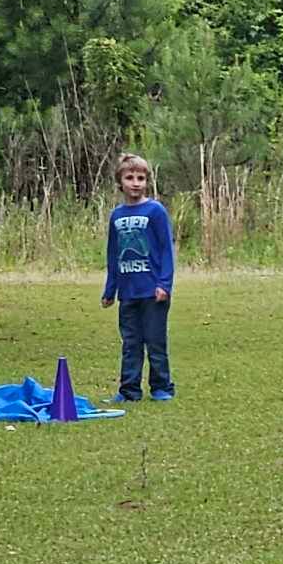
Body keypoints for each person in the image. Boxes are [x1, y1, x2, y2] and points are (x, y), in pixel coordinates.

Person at [101, 153, 176, 401]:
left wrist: (164, 284)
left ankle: (162, 387)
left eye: (141, 178)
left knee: (155, 342)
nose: (135, 183)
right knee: (130, 344)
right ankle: (129, 390)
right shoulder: (117, 216)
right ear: (120, 181)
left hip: (153, 292)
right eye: (130, 177)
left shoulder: (155, 211)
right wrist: (110, 290)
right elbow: (113, 255)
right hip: (128, 292)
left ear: (147, 181)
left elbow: (166, 249)